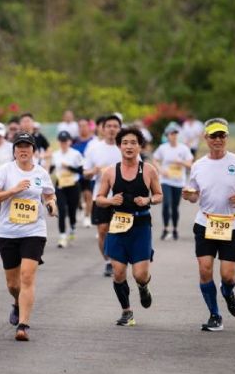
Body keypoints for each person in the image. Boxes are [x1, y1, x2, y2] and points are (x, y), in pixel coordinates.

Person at [182, 118, 235, 332]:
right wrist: (189, 196)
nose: (218, 140)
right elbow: (194, 195)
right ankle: (215, 315)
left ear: (227, 137)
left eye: (222, 135)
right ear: (206, 138)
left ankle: (228, 292)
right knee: (205, 270)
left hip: (231, 225)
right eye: (213, 136)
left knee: (228, 276)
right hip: (205, 222)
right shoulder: (198, 165)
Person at [0, 132, 57, 341]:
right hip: (8, 232)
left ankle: (23, 325)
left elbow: (49, 194)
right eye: (19, 146)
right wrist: (13, 190)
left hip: (33, 231)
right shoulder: (4, 171)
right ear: (14, 150)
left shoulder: (41, 173)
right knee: (13, 284)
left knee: (27, 277)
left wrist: (51, 204)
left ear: (33, 150)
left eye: (27, 146)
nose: (23, 150)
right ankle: (17, 303)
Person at [96, 127, 162, 326]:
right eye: (125, 143)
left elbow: (160, 195)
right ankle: (127, 311)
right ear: (119, 146)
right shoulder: (110, 171)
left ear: (140, 146)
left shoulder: (149, 170)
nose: (129, 146)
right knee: (118, 272)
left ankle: (143, 287)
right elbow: (98, 199)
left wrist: (148, 200)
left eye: (133, 142)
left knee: (140, 274)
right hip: (118, 225)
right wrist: (110, 201)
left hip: (141, 225)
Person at [83, 114, 122, 277]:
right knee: (103, 230)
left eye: (115, 126)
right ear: (103, 129)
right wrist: (94, 171)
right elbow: (85, 173)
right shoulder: (94, 148)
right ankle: (107, 261)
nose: (112, 129)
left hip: (121, 197)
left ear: (119, 129)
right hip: (101, 196)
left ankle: (118, 260)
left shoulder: (125, 146)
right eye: (109, 126)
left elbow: (139, 168)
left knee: (120, 231)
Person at [153, 122, 193, 240]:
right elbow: (155, 159)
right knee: (166, 204)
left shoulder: (184, 148)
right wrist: (160, 169)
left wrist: (181, 162)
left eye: (175, 133)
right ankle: (165, 228)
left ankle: (175, 229)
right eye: (171, 133)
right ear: (167, 135)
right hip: (165, 180)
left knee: (175, 207)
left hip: (179, 181)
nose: (173, 135)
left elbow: (190, 164)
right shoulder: (163, 148)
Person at [51, 130, 84, 248]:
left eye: (65, 141)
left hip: (73, 185)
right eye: (61, 141)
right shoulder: (55, 154)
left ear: (69, 141)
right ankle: (62, 236)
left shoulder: (76, 154)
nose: (63, 143)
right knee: (61, 210)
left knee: (71, 211)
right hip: (60, 185)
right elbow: (51, 169)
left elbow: (81, 171)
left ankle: (73, 226)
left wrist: (69, 167)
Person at [72, 118, 96, 228]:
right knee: (77, 197)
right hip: (76, 172)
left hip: (89, 171)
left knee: (88, 195)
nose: (82, 128)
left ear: (88, 126)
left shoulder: (93, 141)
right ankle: (80, 207)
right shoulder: (74, 141)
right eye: (80, 126)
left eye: (84, 125)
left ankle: (87, 217)